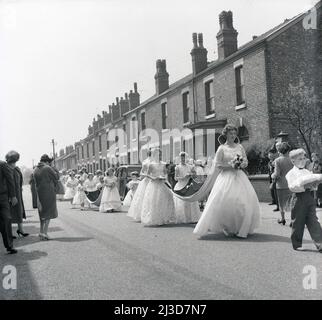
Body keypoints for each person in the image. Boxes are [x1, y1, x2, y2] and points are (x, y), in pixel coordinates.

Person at [193, 124, 260, 238]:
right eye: (230, 134)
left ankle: (240, 228)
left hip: (239, 177)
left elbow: (245, 161)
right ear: (226, 135)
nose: (233, 136)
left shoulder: (240, 147)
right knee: (226, 203)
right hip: (225, 177)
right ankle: (227, 226)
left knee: (242, 203)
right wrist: (231, 166)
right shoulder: (222, 148)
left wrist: (240, 164)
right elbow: (218, 165)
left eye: (234, 134)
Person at [285, 149, 322, 252]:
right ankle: (296, 244)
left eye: (304, 158)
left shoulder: (307, 171)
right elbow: (292, 186)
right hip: (298, 198)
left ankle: (320, 243)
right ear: (293, 161)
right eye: (299, 159)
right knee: (298, 221)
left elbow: (313, 181)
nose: (302, 160)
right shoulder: (290, 173)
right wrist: (303, 185)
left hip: (309, 197)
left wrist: (314, 185)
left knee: (313, 221)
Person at [141, 148, 175, 226]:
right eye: (158, 154)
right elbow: (147, 174)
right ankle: (154, 218)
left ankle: (163, 217)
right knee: (154, 200)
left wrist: (164, 177)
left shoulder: (163, 164)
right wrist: (154, 178)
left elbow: (165, 173)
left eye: (160, 154)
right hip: (154, 184)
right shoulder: (151, 164)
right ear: (154, 155)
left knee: (166, 198)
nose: (159, 156)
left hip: (162, 183)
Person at [33, 154, 59, 240]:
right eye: (49, 162)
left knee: (42, 213)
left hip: (39, 193)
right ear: (47, 162)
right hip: (49, 192)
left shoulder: (35, 169)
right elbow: (56, 177)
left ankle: (41, 231)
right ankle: (45, 232)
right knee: (49, 212)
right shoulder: (48, 168)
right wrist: (54, 169)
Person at [5, 151, 29, 238]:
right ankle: (9, 233)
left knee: (19, 211)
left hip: (18, 193)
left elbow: (19, 179)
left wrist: (20, 186)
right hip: (11, 194)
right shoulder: (7, 168)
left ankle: (20, 229)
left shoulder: (16, 169)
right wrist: (11, 196)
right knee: (10, 213)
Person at [173, 152, 201, 224]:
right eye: (182, 158)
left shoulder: (190, 166)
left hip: (189, 185)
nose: (183, 159)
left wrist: (192, 174)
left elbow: (195, 176)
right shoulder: (177, 167)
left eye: (184, 157)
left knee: (190, 201)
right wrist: (184, 177)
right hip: (181, 185)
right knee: (183, 202)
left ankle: (192, 217)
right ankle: (183, 218)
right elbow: (176, 178)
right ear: (179, 158)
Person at [271, 142, 293, 226]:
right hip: (291, 183)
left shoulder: (278, 160)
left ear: (280, 150)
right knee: (291, 202)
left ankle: (283, 219)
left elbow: (276, 174)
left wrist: (273, 175)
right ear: (288, 150)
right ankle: (292, 220)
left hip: (281, 185)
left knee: (281, 203)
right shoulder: (292, 159)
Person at [127, 149, 152, 222]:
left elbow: (142, 172)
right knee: (145, 197)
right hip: (148, 180)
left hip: (151, 180)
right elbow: (142, 172)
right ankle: (144, 214)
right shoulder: (146, 162)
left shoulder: (150, 161)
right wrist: (146, 176)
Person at [0, 160, 18, 254]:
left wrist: (13, 196)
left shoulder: (2, 164)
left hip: (2, 197)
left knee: (7, 219)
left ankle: (9, 246)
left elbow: (10, 179)